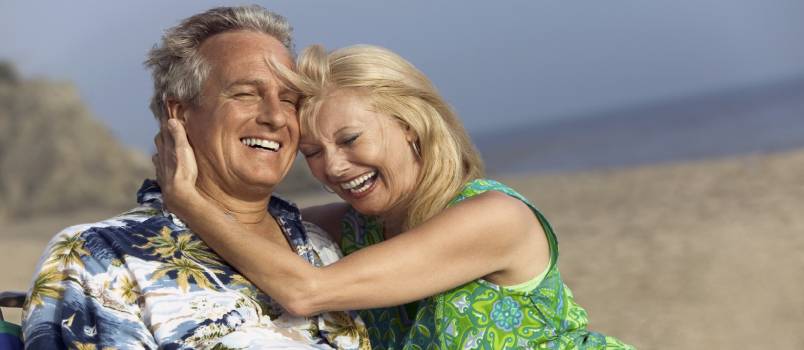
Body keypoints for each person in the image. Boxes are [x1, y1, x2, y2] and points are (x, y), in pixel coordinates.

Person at [155, 44, 634, 349]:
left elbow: (306, 291)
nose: (334, 168)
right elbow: (248, 228)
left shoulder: (493, 217)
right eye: (313, 152)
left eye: (350, 140)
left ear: (409, 127)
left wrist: (187, 200)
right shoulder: (355, 228)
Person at [21, 6, 368, 349]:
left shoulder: (321, 248)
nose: (276, 117)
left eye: (289, 99)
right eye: (246, 93)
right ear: (179, 112)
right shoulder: (100, 256)